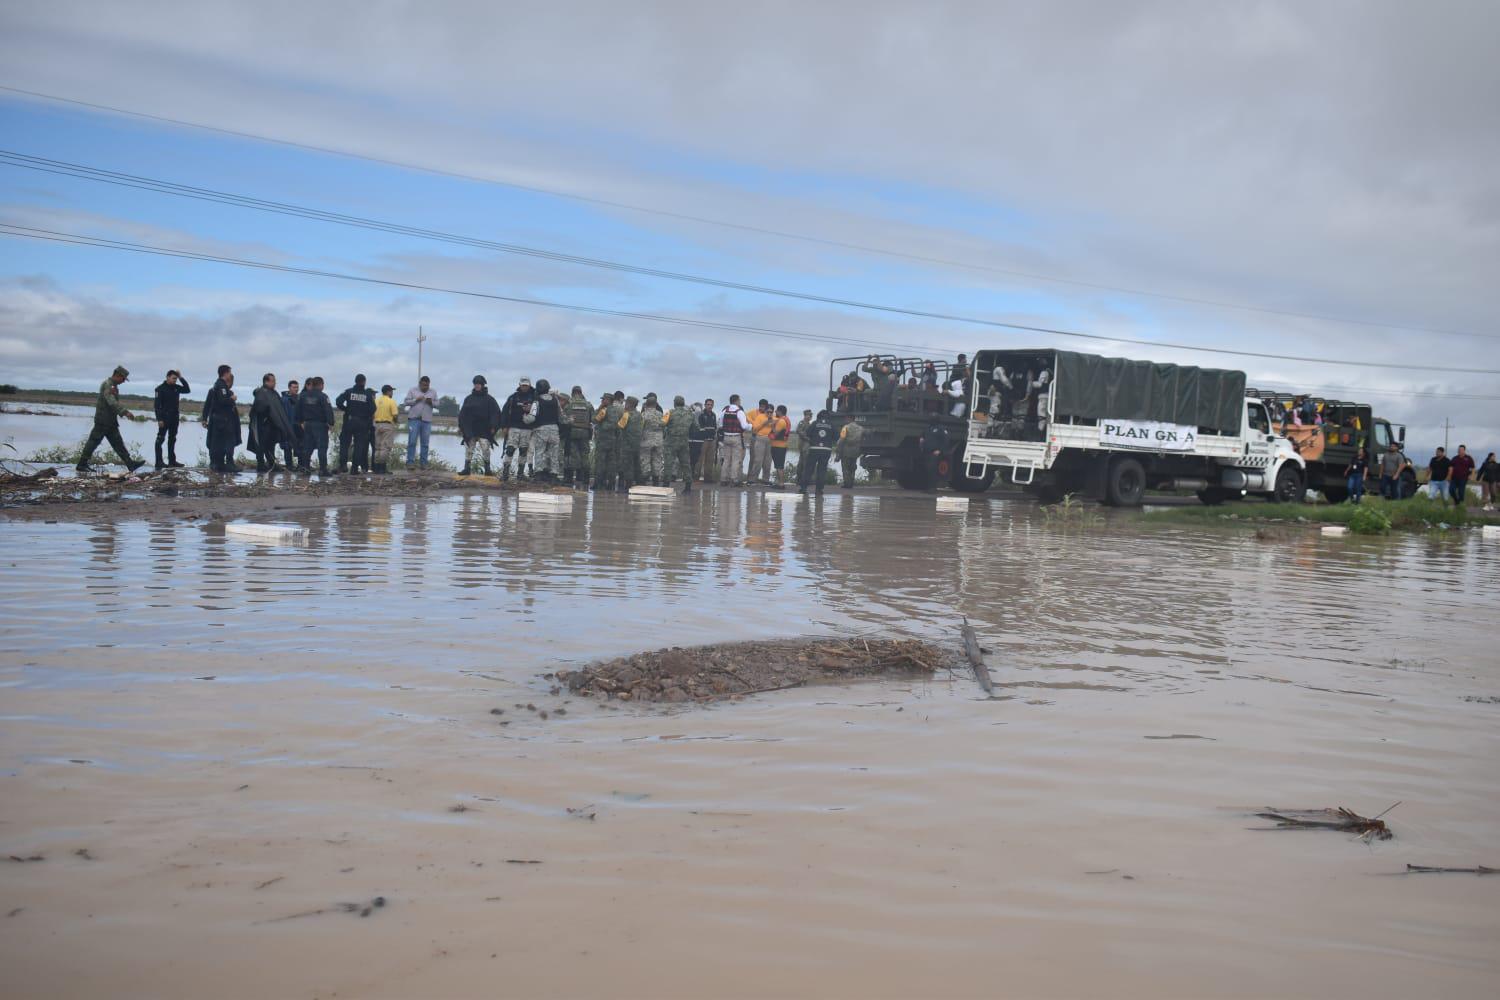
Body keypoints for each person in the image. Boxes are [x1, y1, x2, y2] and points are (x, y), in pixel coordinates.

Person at [77, 365, 145, 473]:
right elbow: (111, 402)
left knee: (118, 443)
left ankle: (130, 464)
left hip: (110, 421)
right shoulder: (108, 385)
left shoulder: (113, 386)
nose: (123, 381)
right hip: (103, 420)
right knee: (94, 441)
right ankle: (82, 464)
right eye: (123, 379)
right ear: (118, 375)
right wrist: (125, 412)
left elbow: (113, 403)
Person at [249, 373, 294, 473]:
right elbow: (259, 408)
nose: (275, 383)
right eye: (273, 381)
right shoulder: (261, 392)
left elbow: (278, 407)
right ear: (266, 381)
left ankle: (272, 464)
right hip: (263, 424)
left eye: (275, 381)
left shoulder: (273, 393)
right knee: (261, 445)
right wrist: (268, 415)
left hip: (272, 425)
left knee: (271, 445)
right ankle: (260, 465)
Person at [202, 364, 242, 475]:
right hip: (222, 421)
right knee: (224, 442)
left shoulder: (220, 387)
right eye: (229, 373)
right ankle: (224, 463)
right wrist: (232, 399)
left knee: (220, 443)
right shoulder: (220, 386)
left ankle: (219, 463)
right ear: (226, 373)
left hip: (222, 420)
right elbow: (220, 402)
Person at [458, 375, 501, 475]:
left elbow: (495, 413)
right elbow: (463, 414)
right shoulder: (468, 399)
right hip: (471, 429)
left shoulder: (490, 400)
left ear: (482, 385)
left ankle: (487, 469)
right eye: (475, 384)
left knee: (485, 448)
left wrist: (494, 426)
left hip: (484, 429)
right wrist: (461, 427)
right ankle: (467, 468)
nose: (477, 386)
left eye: (479, 384)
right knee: (469, 449)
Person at [336, 374, 377, 474]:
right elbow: (373, 408)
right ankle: (354, 469)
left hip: (349, 421)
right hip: (362, 422)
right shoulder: (367, 394)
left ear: (355, 381)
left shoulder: (349, 391)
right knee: (359, 446)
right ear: (364, 382)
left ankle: (343, 466)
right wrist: (365, 415)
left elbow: (338, 401)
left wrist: (346, 409)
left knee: (344, 444)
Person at [525, 378, 564, 483]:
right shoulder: (555, 400)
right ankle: (554, 475)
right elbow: (561, 416)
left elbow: (531, 418)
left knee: (540, 452)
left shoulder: (536, 402)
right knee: (554, 453)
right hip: (554, 430)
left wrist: (524, 417)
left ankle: (539, 475)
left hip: (541, 430)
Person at [294, 376, 335, 475]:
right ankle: (323, 470)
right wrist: (331, 422)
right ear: (321, 385)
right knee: (322, 447)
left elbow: (297, 409)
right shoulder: (323, 396)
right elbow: (328, 410)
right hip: (320, 425)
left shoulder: (303, 396)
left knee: (307, 448)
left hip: (307, 424)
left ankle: (306, 468)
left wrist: (300, 422)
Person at [151, 369, 191, 469]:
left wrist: (181, 377)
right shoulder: (160, 389)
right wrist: (159, 419)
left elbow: (187, 390)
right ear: (167, 377)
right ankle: (159, 462)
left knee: (172, 439)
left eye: (176, 379)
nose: (175, 381)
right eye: (173, 378)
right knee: (160, 440)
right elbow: (157, 406)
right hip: (164, 419)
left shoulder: (176, 387)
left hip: (174, 418)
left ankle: (172, 461)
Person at [501, 377, 536, 481]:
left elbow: (539, 412)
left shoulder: (535, 397)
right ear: (519, 385)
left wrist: (530, 409)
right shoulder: (513, 397)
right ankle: (505, 473)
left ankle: (520, 474)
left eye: (526, 385)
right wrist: (503, 426)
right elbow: (505, 412)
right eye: (523, 385)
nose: (524, 387)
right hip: (513, 427)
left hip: (528, 429)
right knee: (510, 449)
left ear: (529, 385)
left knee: (523, 451)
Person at [798, 410, 836, 495]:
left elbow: (807, 433)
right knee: (822, 470)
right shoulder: (831, 425)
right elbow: (836, 437)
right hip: (826, 450)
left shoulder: (815, 423)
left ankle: (803, 488)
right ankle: (819, 490)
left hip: (814, 449)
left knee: (809, 469)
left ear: (818, 416)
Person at [563, 386, 595, 489]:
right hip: (585, 433)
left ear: (572, 393)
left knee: (573, 455)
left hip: (572, 432)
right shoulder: (588, 405)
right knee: (585, 455)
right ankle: (584, 478)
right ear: (581, 393)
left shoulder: (569, 405)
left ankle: (572, 479)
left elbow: (565, 418)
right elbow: (593, 419)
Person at [591, 391, 622, 492]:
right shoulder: (617, 411)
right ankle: (611, 484)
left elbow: (594, 420)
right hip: (613, 440)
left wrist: (600, 407)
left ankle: (598, 484)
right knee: (611, 463)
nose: (602, 401)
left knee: (600, 462)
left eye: (603, 399)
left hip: (603, 439)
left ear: (608, 400)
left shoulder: (604, 410)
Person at [404, 376, 437, 470]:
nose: (425, 387)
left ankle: (424, 464)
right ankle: (410, 463)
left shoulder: (433, 392)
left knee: (425, 443)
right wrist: (416, 400)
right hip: (414, 420)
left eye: (427, 385)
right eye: (423, 385)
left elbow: (438, 404)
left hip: (427, 421)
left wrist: (431, 403)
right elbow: (406, 402)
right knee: (412, 442)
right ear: (420, 384)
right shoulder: (412, 390)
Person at [665, 395, 694, 492]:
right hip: (684, 442)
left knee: (669, 463)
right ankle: (688, 487)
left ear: (674, 403)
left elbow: (662, 423)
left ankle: (666, 485)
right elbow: (696, 427)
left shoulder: (670, 412)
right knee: (685, 464)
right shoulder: (690, 414)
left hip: (671, 442)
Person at [719, 395, 750, 486]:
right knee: (736, 459)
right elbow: (744, 426)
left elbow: (720, 424)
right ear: (737, 401)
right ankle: (734, 479)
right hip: (736, 437)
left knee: (727, 459)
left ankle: (723, 479)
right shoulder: (739, 412)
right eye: (739, 400)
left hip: (726, 437)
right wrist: (751, 426)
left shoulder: (725, 411)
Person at [639, 392, 667, 486]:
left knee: (645, 460)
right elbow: (664, 426)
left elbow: (640, 427)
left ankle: (644, 480)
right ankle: (656, 481)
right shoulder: (660, 414)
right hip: (659, 440)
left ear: (646, 404)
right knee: (657, 460)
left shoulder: (643, 415)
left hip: (646, 440)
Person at [617, 396, 643, 491]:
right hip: (636, 443)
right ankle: (640, 483)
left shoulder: (626, 415)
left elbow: (620, 426)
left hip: (627, 444)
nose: (625, 405)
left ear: (630, 404)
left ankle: (628, 486)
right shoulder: (639, 415)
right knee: (637, 464)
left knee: (627, 465)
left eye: (626, 403)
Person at [919, 418, 953, 491]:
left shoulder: (941, 429)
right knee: (927, 469)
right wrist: (922, 443)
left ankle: (933, 488)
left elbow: (946, 440)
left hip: (935, 453)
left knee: (932, 470)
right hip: (927, 452)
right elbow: (922, 436)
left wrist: (940, 450)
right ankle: (927, 487)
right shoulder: (928, 428)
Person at [372, 384, 399, 474]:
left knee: (377, 447)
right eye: (391, 391)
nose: (392, 393)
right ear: (388, 392)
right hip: (387, 425)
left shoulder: (376, 401)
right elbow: (395, 414)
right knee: (385, 447)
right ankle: (382, 468)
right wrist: (395, 422)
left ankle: (376, 467)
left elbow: (372, 413)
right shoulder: (391, 401)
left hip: (377, 425)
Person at [747, 399, 773, 485]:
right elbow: (747, 417)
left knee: (767, 461)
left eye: (763, 407)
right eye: (760, 406)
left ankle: (765, 479)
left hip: (769, 440)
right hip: (757, 438)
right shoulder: (757, 415)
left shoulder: (772, 416)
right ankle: (751, 479)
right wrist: (753, 422)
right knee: (755, 459)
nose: (761, 408)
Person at [692, 398, 718, 483]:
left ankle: (708, 478)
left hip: (712, 440)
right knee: (700, 460)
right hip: (703, 440)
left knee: (710, 460)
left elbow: (714, 427)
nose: (710, 406)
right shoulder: (701, 414)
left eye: (711, 404)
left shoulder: (713, 415)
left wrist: (714, 436)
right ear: (705, 405)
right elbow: (699, 427)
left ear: (713, 405)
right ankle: (696, 478)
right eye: (708, 404)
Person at [280, 379, 302, 471]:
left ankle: (300, 465)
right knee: (287, 447)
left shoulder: (299, 398)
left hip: (297, 426)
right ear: (289, 388)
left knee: (299, 446)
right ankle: (289, 466)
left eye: (297, 387)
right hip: (287, 426)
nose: (296, 389)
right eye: (294, 387)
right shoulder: (284, 400)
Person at [768, 404, 792, 488]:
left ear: (780, 411)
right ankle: (779, 483)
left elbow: (776, 433)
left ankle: (781, 483)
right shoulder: (785, 419)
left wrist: (772, 426)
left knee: (779, 466)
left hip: (779, 446)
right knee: (779, 465)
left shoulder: (781, 421)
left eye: (776, 411)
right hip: (781, 446)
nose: (775, 412)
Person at [836, 418, 864, 489]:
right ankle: (851, 483)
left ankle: (847, 484)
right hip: (855, 451)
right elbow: (866, 432)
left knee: (845, 468)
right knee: (853, 467)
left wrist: (838, 452)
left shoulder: (845, 427)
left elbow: (841, 439)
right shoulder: (860, 428)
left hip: (846, 451)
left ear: (848, 420)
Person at [1448, 444, 1474, 508]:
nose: (1459, 451)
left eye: (1461, 450)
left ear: (1464, 450)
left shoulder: (1468, 458)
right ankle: (1457, 501)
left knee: (1461, 492)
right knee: (1451, 490)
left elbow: (1472, 468)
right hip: (1454, 478)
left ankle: (1460, 505)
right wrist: (1449, 476)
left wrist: (1471, 475)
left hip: (1463, 478)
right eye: (1459, 449)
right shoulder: (1454, 458)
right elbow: (1451, 468)